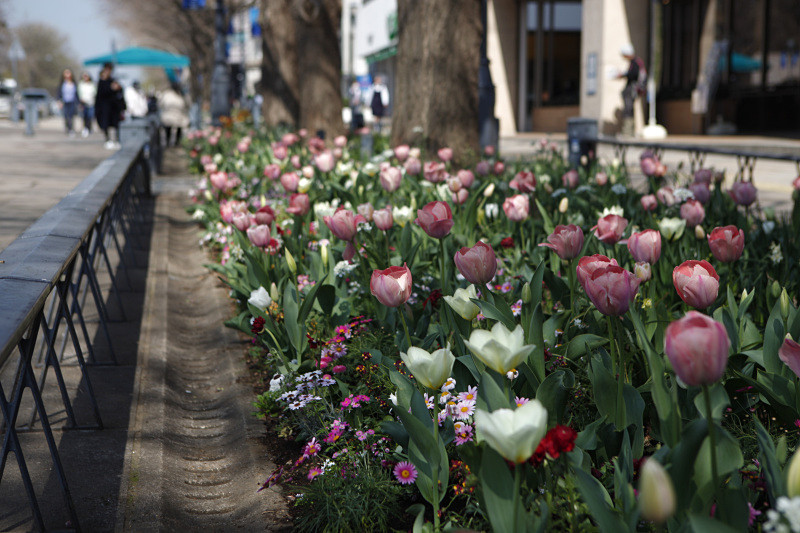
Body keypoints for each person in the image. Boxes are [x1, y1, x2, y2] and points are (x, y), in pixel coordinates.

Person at [617, 43, 646, 137]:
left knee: (628, 109)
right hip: (633, 89)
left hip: (632, 89)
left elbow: (633, 75)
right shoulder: (636, 62)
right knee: (629, 109)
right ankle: (629, 131)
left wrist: (623, 75)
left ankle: (627, 132)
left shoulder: (635, 62)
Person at [95, 62, 125, 149]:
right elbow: (101, 94)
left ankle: (117, 139)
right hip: (104, 107)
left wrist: (117, 88)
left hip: (113, 107)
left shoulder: (113, 80)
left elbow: (119, 92)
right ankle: (107, 140)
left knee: (116, 123)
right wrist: (111, 88)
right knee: (105, 123)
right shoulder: (101, 81)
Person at [158, 83, 189, 147]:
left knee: (169, 129)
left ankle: (169, 143)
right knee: (177, 129)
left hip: (170, 116)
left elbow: (160, 104)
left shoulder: (166, 94)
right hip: (176, 116)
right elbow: (186, 105)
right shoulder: (180, 95)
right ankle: (176, 143)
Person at [57, 69, 79, 136]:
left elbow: (77, 94)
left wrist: (78, 102)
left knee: (71, 116)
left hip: (72, 102)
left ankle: (71, 129)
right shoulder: (62, 84)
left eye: (68, 73)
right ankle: (68, 128)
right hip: (65, 102)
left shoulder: (73, 83)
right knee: (66, 116)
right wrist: (59, 101)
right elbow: (59, 93)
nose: (67, 74)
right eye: (66, 73)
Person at [77, 72, 96, 137]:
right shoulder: (81, 84)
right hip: (83, 102)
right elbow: (79, 93)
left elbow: (94, 93)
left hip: (91, 102)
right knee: (84, 116)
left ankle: (89, 128)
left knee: (90, 116)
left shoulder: (92, 84)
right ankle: (85, 128)